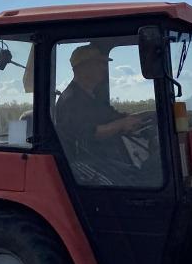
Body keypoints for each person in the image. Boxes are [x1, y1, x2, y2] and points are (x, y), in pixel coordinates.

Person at [55, 44, 153, 182]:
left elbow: (118, 118)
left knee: (139, 176)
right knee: (121, 185)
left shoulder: (93, 98)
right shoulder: (71, 100)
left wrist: (153, 114)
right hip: (80, 163)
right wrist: (121, 124)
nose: (104, 68)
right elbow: (89, 133)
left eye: (104, 64)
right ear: (83, 67)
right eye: (99, 64)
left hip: (101, 159)